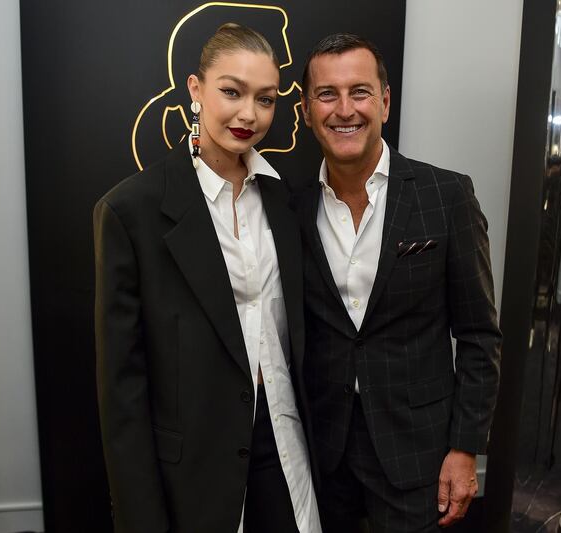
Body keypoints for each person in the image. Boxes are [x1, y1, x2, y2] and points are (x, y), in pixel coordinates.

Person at [94, 23, 320, 533]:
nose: (249, 114)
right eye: (231, 91)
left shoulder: (287, 203)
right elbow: (122, 392)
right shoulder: (132, 211)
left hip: (287, 452)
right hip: (195, 472)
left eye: (266, 99)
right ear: (195, 91)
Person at [293, 33, 502, 532]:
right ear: (305, 110)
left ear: (385, 102)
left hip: (419, 453)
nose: (345, 109)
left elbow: (479, 336)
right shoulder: (289, 208)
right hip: (323, 453)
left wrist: (465, 446)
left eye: (360, 92)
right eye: (327, 94)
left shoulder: (446, 195)